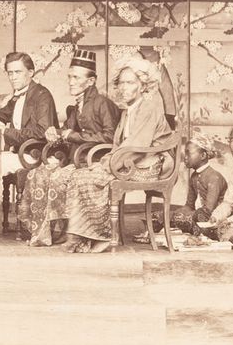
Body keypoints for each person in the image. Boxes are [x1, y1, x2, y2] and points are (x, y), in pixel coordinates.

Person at [64, 59, 176, 253]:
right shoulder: (127, 112)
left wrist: (106, 165)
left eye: (130, 83)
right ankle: (84, 236)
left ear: (143, 86)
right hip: (131, 161)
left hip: (149, 166)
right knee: (78, 175)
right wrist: (106, 163)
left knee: (89, 177)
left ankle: (104, 235)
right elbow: (118, 145)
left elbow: (137, 145)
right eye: (121, 83)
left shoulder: (148, 108)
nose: (124, 87)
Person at [15, 48, 119, 247]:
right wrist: (54, 135)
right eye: (69, 77)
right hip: (77, 160)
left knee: (57, 177)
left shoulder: (101, 104)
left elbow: (110, 136)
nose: (71, 81)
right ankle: (47, 232)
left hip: (96, 161)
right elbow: (67, 132)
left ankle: (69, 231)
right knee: (38, 173)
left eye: (76, 78)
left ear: (91, 81)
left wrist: (72, 135)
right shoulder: (78, 106)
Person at [0, 52, 59, 177]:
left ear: (31, 72)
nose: (13, 77)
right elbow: (1, 114)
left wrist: (5, 132)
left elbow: (41, 132)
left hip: (37, 155)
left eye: (18, 72)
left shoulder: (42, 96)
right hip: (21, 153)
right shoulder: (19, 95)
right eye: (10, 73)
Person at [167, 132, 228, 240]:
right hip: (199, 216)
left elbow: (208, 210)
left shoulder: (214, 177)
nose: (185, 157)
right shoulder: (194, 177)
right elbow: (189, 205)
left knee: (197, 218)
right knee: (162, 216)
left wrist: (181, 217)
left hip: (213, 219)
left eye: (188, 153)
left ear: (203, 155)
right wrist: (172, 215)